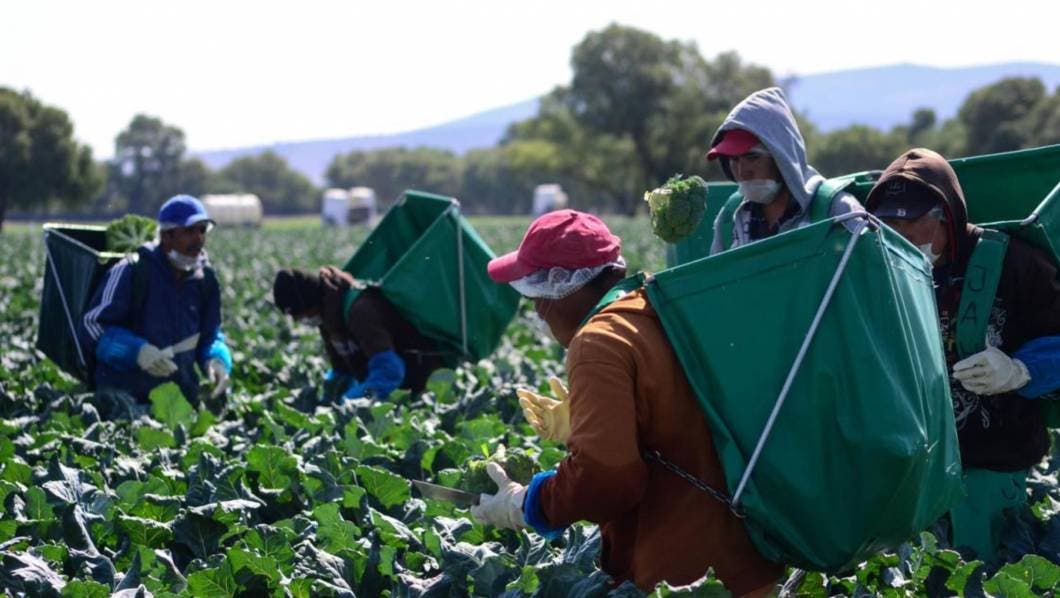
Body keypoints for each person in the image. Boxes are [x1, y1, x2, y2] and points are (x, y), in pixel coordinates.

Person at [473, 209, 782, 595]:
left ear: (562, 282)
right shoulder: (657, 308)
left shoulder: (598, 341)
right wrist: (589, 427)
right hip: (747, 558)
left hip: (681, 572)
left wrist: (528, 504)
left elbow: (607, 477)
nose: (534, 306)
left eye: (535, 289)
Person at [866, 147, 1060, 562]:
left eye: (911, 223)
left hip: (996, 468)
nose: (901, 237)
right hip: (916, 480)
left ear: (946, 216)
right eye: (889, 225)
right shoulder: (876, 272)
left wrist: (1020, 370)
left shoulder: (1013, 262)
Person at [80, 195, 231, 407]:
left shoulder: (205, 279)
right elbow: (92, 326)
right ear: (165, 236)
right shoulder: (132, 270)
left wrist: (216, 359)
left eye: (202, 230)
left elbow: (210, 335)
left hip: (179, 401)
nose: (198, 238)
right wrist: (136, 351)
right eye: (189, 231)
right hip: (124, 398)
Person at [707, 87, 862, 255]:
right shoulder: (730, 220)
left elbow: (870, 272)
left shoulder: (836, 210)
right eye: (734, 159)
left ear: (782, 156)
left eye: (752, 157)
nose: (742, 172)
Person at [272, 266, 441, 400]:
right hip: (390, 390)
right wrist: (328, 397)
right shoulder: (327, 319)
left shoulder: (359, 311)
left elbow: (390, 372)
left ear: (309, 303)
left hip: (419, 387)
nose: (298, 321)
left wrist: (357, 399)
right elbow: (341, 372)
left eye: (298, 315)